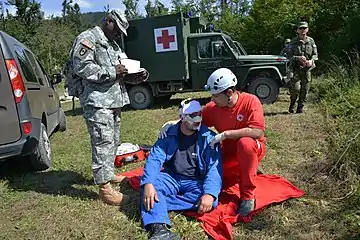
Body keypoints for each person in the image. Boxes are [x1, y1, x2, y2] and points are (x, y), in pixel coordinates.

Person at [159, 68, 266, 217]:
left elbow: (257, 132)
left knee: (245, 143)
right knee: (219, 180)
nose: (212, 100)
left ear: (229, 92)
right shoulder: (213, 108)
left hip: (252, 147)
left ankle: (247, 197)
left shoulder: (250, 101)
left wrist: (227, 134)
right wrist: (176, 122)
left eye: (215, 96)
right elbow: (195, 121)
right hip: (228, 151)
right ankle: (247, 168)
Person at [70, 10, 147, 206]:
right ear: (109, 21)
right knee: (102, 141)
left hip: (114, 100)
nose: (119, 35)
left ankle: (108, 174)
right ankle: (105, 190)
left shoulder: (112, 44)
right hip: (97, 101)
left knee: (113, 140)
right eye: (118, 29)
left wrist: (133, 76)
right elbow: (81, 67)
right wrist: (112, 72)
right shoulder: (88, 38)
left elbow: (122, 69)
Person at [140, 99, 222, 240]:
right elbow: (154, 158)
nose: (197, 119)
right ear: (182, 117)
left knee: (212, 200)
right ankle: (159, 229)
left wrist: (209, 193)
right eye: (192, 115)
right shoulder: (168, 134)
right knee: (149, 187)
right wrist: (148, 183)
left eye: (199, 114)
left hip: (196, 180)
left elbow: (214, 168)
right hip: (171, 177)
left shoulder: (210, 138)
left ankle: (159, 204)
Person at [287, 21, 318, 113]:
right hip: (295, 69)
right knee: (295, 89)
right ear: (297, 30)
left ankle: (300, 107)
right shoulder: (293, 42)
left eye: (304, 28)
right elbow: (288, 56)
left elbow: (315, 54)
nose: (302, 30)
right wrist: (298, 58)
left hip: (307, 69)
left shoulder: (311, 41)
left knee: (305, 89)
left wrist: (311, 60)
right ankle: (292, 103)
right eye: (300, 28)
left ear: (307, 29)